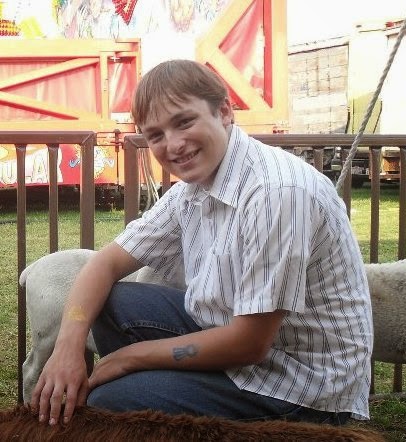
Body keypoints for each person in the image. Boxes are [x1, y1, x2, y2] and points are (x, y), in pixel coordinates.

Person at [31, 59, 373, 427]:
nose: (173, 145)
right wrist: (67, 347)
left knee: (111, 400)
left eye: (184, 122)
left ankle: (151, 405)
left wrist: (131, 358)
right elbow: (105, 263)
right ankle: (159, 398)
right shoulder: (194, 187)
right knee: (110, 303)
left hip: (300, 382)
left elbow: (250, 344)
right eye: (155, 135)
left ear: (224, 111)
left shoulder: (276, 193)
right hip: (241, 341)